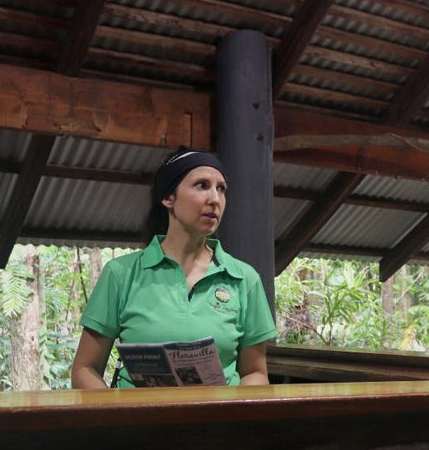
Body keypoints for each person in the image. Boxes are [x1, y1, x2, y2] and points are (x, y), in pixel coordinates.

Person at [71, 148, 276, 388]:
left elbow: (255, 373)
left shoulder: (244, 278)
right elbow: (85, 369)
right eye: (201, 185)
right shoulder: (120, 274)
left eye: (221, 189)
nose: (215, 199)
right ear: (168, 197)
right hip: (139, 422)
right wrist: (120, 420)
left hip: (217, 423)